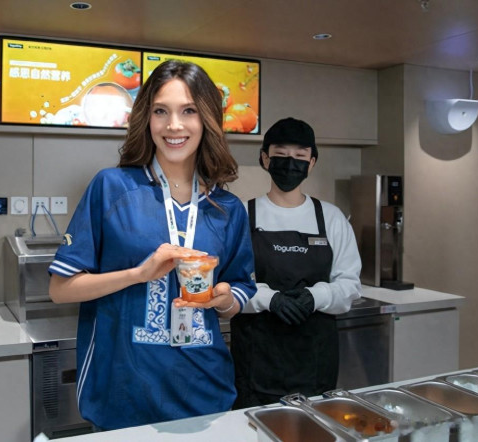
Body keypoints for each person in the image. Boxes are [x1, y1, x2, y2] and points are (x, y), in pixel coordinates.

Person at [48, 60, 257, 430]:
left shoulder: (227, 208)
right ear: (146, 118)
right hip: (123, 394)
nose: (174, 125)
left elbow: (240, 288)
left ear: (207, 119)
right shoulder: (112, 188)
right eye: (161, 111)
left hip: (204, 391)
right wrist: (137, 274)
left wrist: (224, 299)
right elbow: (60, 289)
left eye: (188, 111)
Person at [230, 117, 362, 408]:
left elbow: (350, 286)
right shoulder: (242, 215)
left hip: (315, 360)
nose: (290, 164)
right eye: (281, 154)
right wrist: (269, 299)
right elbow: (228, 284)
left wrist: (316, 296)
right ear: (265, 158)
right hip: (255, 359)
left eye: (300, 156)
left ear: (312, 163)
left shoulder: (331, 218)